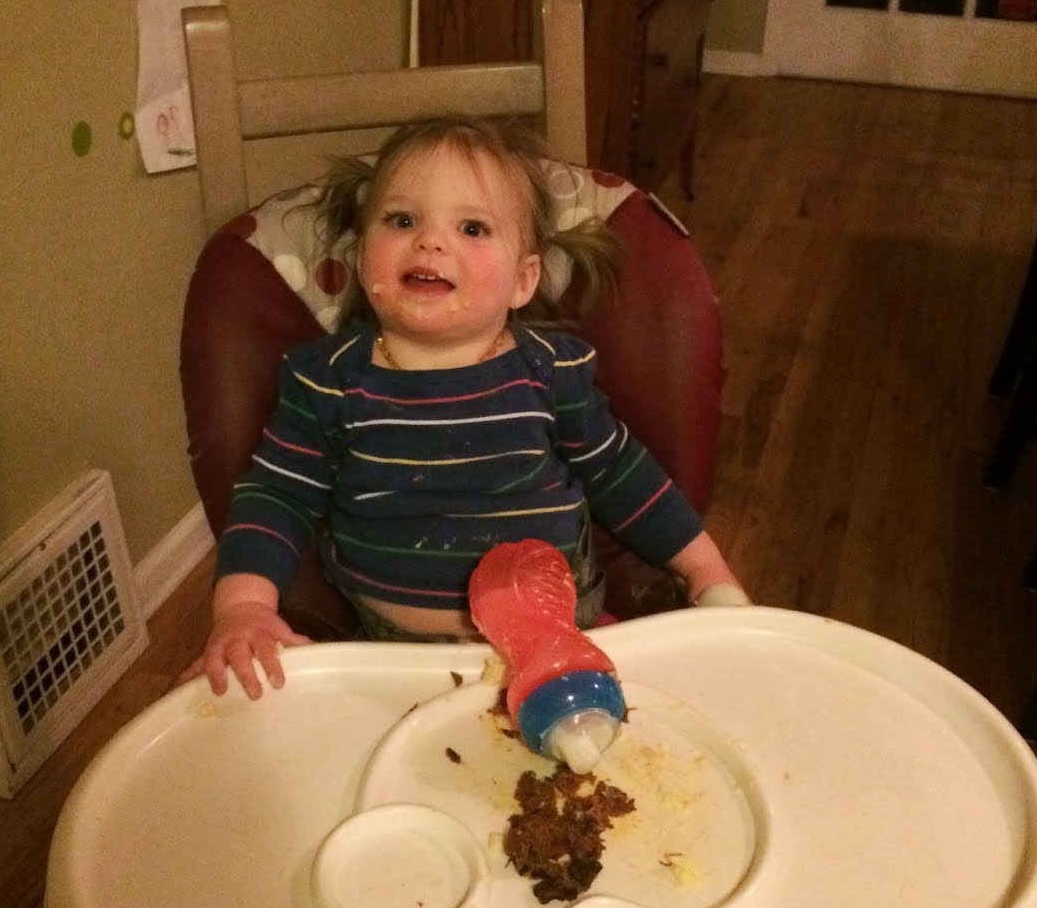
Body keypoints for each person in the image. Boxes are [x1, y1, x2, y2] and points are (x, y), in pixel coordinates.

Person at [184, 116, 749, 700]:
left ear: (523, 280)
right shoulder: (327, 382)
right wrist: (244, 608)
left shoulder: (550, 371)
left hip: (562, 635)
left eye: (473, 227)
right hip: (388, 657)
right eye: (402, 220)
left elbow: (622, 474)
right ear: (361, 257)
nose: (430, 241)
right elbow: (276, 496)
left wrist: (705, 570)